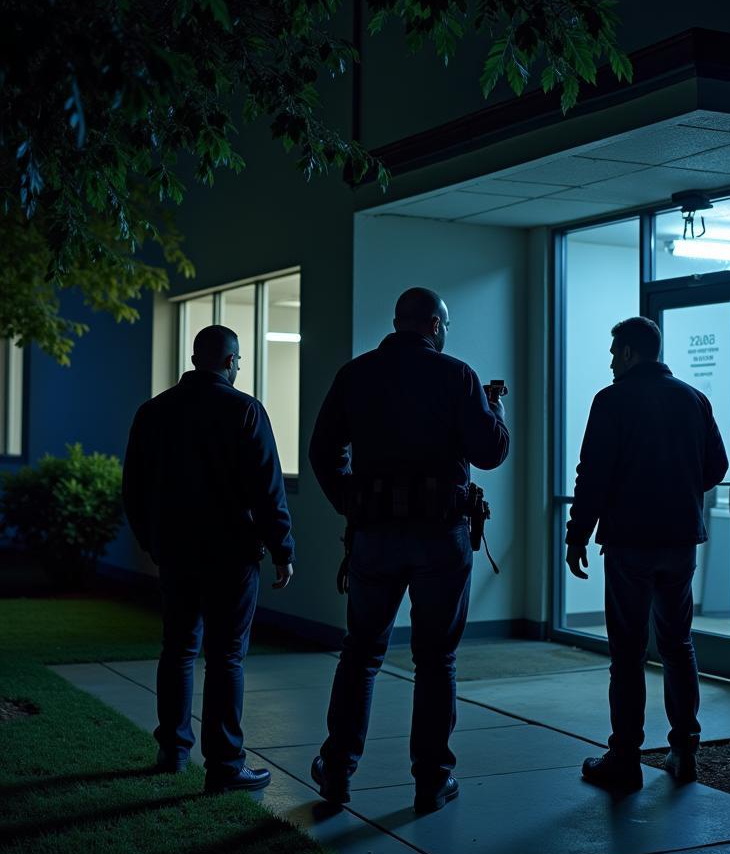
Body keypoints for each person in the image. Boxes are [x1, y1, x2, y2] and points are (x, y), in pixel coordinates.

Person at [308, 287, 509, 813]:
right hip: (442, 538)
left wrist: (352, 502)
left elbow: (322, 451)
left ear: (398, 323)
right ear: (436, 326)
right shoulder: (456, 375)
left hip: (374, 537)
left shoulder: (356, 374)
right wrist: (493, 409)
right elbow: (489, 452)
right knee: (436, 659)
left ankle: (338, 769)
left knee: (361, 652)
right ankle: (431, 780)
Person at [122, 324, 295, 793]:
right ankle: (224, 765)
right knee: (225, 658)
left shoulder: (153, 412)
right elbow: (267, 490)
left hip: (175, 552)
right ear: (229, 361)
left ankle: (173, 751)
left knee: (177, 649)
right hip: (231, 554)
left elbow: (133, 489)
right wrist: (283, 549)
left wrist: (151, 541)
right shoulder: (244, 411)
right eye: (237, 360)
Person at [566, 316, 728, 792]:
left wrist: (579, 533)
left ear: (632, 353)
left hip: (630, 543)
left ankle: (625, 759)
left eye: (616, 353)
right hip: (679, 542)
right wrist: (678, 490)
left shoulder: (612, 400)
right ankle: (684, 751)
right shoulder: (693, 399)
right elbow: (716, 466)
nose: (612, 362)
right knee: (678, 647)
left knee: (628, 653)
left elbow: (592, 474)